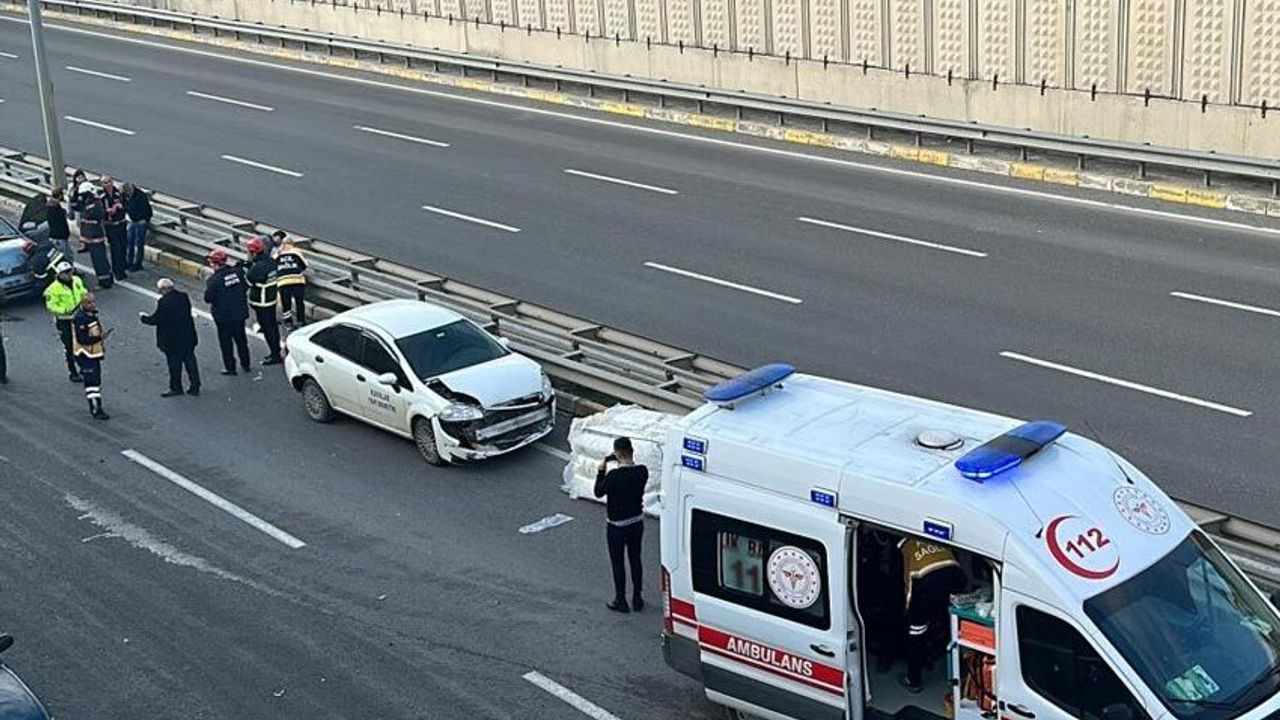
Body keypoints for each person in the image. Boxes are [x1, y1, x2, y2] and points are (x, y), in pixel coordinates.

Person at [899, 537, 966, 693]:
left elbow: (908, 582)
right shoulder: (932, 536)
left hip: (927, 589)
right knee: (953, 627)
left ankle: (913, 680)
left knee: (915, 633)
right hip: (953, 579)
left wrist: (908, 610)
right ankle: (962, 671)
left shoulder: (907, 548)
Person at [594, 437, 649, 613]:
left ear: (616, 454)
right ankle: (638, 597)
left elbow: (598, 492)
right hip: (636, 523)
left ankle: (621, 599)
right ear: (632, 451)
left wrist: (601, 469)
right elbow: (631, 467)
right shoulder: (642, 472)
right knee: (635, 559)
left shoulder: (613, 477)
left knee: (618, 562)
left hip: (616, 526)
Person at [140, 278, 200, 397]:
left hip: (172, 341)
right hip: (188, 337)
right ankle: (195, 386)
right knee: (190, 362)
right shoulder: (184, 297)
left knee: (174, 365)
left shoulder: (164, 302)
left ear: (164, 289)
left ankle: (176, 388)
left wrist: (144, 318)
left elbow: (157, 319)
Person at [203, 248, 251, 376]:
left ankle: (230, 368)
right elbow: (245, 287)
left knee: (226, 344)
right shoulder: (237, 273)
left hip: (223, 317)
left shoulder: (213, 280)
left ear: (214, 263)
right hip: (239, 313)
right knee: (241, 340)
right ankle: (246, 364)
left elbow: (208, 298)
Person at [43, 261, 87, 383]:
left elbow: (83, 292)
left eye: (71, 271)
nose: (69, 274)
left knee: (82, 343)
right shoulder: (52, 290)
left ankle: (84, 367)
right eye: (66, 273)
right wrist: (65, 310)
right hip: (64, 321)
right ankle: (73, 372)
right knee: (70, 347)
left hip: (78, 317)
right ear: (60, 274)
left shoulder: (77, 280)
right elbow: (51, 306)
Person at [244, 237, 282, 365]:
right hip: (271, 299)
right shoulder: (271, 262)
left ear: (254, 252)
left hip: (261, 302)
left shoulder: (257, 268)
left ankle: (274, 355)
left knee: (268, 329)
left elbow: (248, 282)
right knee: (273, 327)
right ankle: (277, 350)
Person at [72, 293, 108, 420]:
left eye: (93, 302)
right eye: (89, 303)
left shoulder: (91, 315)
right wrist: (99, 338)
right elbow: (82, 339)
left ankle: (97, 406)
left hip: (93, 355)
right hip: (86, 356)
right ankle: (96, 409)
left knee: (96, 382)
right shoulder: (80, 319)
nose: (92, 305)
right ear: (82, 303)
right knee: (91, 384)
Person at [78, 182, 113, 289]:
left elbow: (93, 216)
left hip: (95, 238)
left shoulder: (94, 205)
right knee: (99, 260)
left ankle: (105, 282)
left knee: (99, 261)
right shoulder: (90, 203)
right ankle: (107, 278)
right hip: (92, 238)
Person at [100, 177, 128, 281]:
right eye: (105, 183)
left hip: (121, 224)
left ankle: (123, 268)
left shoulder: (119, 194)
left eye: (109, 182)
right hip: (110, 225)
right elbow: (100, 211)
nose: (108, 184)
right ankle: (117, 271)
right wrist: (108, 211)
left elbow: (126, 205)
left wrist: (120, 206)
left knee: (123, 247)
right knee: (115, 249)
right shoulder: (101, 197)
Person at [275, 238, 308, 327]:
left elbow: (273, 266)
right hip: (297, 280)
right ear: (292, 244)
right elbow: (305, 265)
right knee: (299, 302)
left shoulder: (278, 254)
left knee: (286, 303)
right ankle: (301, 321)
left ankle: (288, 323)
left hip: (283, 282)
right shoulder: (297, 252)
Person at [123, 183, 152, 272]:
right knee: (130, 242)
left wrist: (145, 219)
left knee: (139, 243)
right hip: (133, 221)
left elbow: (147, 210)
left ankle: (138, 263)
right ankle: (129, 262)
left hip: (140, 222)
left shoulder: (140, 196)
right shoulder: (126, 196)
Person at [46, 187, 73, 262]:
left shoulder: (55, 206)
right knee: (64, 256)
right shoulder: (53, 208)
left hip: (61, 236)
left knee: (68, 255)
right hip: (58, 237)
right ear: (60, 196)